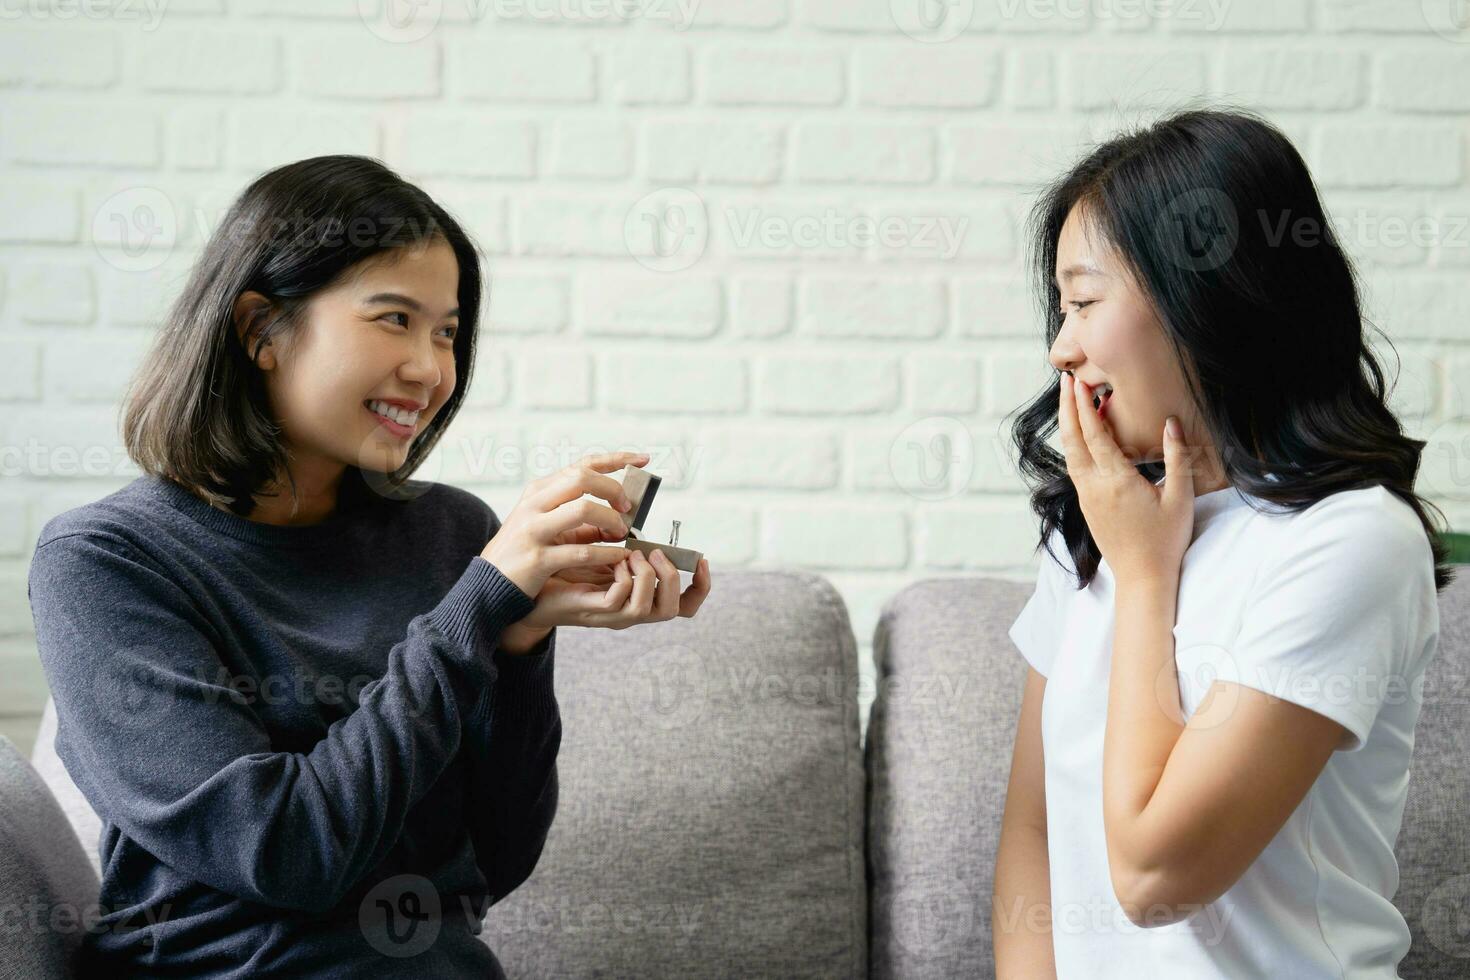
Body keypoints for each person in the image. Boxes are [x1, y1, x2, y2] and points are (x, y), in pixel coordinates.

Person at [27, 154, 712, 978]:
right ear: (261, 331)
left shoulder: (452, 531)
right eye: (394, 319)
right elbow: (286, 852)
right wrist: (480, 604)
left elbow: (497, 861)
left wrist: (518, 640)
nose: (430, 368)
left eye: (447, 331)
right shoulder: (106, 565)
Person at [994, 107, 1452, 978]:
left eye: (1085, 301)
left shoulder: (1351, 543)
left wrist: (1143, 573)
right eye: (1061, 308)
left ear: (1203, 300)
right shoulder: (1089, 524)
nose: (1062, 347)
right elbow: (1035, 831)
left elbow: (1156, 874)